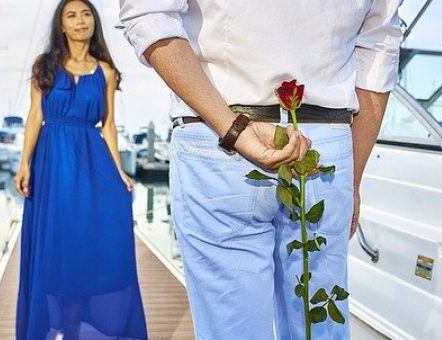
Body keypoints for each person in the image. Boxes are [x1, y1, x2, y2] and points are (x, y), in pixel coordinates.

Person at [120, 1, 403, 339]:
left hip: (220, 136)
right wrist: (352, 177)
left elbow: (149, 16)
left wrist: (233, 128)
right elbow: (379, 44)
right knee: (318, 327)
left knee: (231, 331)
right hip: (323, 147)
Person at [14, 1, 147, 339]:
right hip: (51, 163)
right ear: (61, 25)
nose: (80, 21)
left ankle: (77, 324)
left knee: (90, 239)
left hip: (92, 161)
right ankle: (61, 326)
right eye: (71, 15)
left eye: (86, 14)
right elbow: (34, 117)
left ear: (94, 22)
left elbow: (110, 126)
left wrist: (118, 171)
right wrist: (24, 163)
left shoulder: (105, 71)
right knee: (56, 242)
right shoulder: (44, 66)